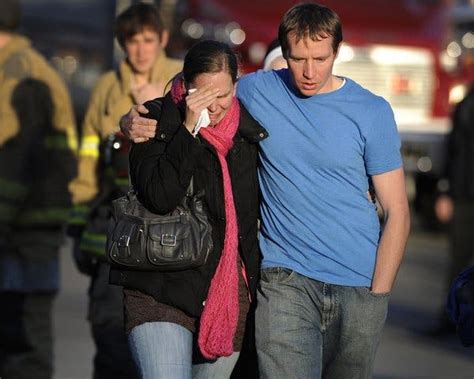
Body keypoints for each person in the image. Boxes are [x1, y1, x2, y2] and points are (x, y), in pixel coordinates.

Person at [120, 3, 410, 378]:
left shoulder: (372, 112)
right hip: (284, 279)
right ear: (283, 52)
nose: (308, 71)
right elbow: (195, 85)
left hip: (357, 283)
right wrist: (133, 119)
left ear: (337, 51)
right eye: (297, 58)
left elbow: (397, 211)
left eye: (320, 58)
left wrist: (378, 295)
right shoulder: (258, 91)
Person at [109, 39, 267, 379]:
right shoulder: (154, 120)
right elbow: (160, 196)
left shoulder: (249, 135)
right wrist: (188, 130)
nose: (215, 105)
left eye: (223, 94)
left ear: (236, 87)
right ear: (185, 84)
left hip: (225, 297)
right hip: (161, 288)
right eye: (202, 95)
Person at [67, 3, 182, 378]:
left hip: (164, 229)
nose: (141, 50)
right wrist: (80, 217)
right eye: (133, 41)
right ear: (123, 44)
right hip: (112, 225)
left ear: (162, 39)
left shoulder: (178, 83)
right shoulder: (106, 88)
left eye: (149, 40)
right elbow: (88, 157)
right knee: (109, 333)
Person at [0, 1, 78, 378]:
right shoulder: (29, 66)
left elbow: (10, 163)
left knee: (22, 338)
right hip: (35, 223)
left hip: (23, 226)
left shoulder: (14, 76)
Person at [434, 85, 474, 334]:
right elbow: (454, 150)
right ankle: (452, 319)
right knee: (457, 264)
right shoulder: (467, 101)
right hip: (463, 196)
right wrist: (445, 191)